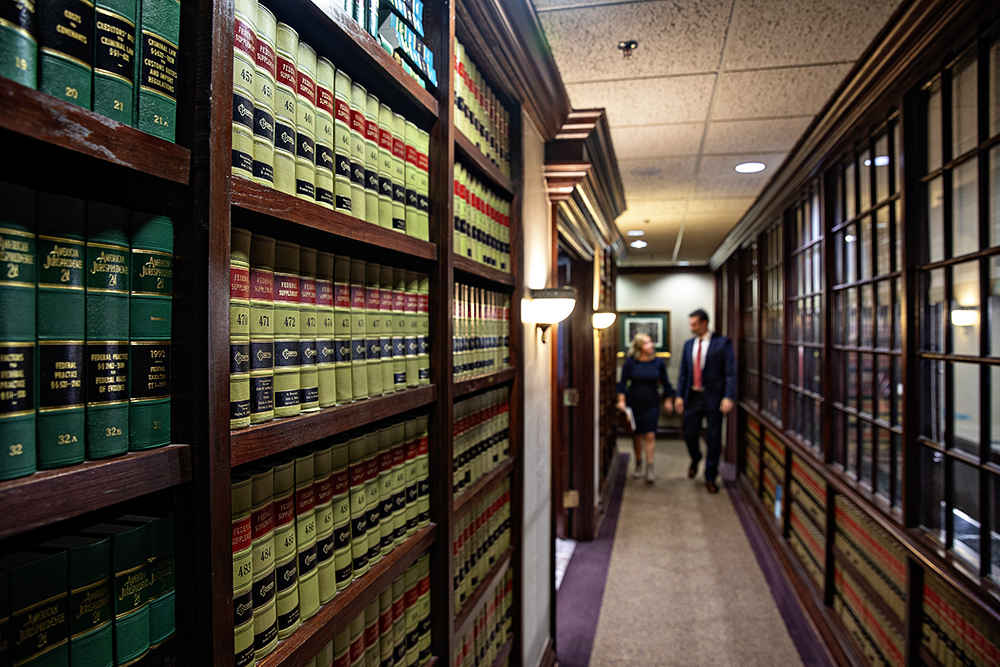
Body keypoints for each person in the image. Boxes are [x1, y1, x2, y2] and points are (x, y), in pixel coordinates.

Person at [675, 309, 736, 493]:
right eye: (690, 324)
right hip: (692, 396)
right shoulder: (688, 345)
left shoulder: (722, 343)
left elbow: (730, 372)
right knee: (689, 433)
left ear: (704, 323)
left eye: (694, 324)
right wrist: (679, 395)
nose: (691, 328)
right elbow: (683, 372)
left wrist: (728, 396)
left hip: (714, 397)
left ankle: (711, 476)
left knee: (714, 437)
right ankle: (696, 457)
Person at [616, 333, 674, 484]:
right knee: (636, 435)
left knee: (650, 435)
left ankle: (650, 467)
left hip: (651, 402)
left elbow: (665, 383)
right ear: (639, 346)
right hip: (634, 402)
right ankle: (638, 463)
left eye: (651, 342)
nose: (651, 345)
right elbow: (623, 384)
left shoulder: (658, 363)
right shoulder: (630, 363)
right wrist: (621, 401)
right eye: (647, 343)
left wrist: (668, 400)